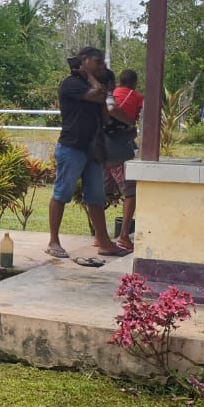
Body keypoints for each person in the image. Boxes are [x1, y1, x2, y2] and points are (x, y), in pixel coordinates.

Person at [46, 47, 129, 260]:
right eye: (98, 62)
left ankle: (104, 242)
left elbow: (105, 112)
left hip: (92, 148)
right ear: (84, 62)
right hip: (72, 147)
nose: (102, 66)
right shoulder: (71, 84)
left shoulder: (93, 85)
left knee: (96, 197)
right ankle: (53, 241)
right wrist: (90, 76)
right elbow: (96, 94)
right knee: (62, 193)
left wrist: (100, 87)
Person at [105, 69, 143, 251]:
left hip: (101, 149)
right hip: (119, 150)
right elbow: (133, 122)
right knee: (130, 193)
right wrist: (130, 124)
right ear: (135, 83)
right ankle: (124, 236)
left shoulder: (110, 94)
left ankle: (100, 237)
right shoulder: (135, 97)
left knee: (100, 193)